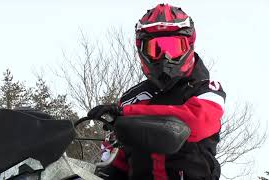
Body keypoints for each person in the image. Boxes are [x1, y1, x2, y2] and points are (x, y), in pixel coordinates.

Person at [88, 4, 226, 180]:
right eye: (155, 49)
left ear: (189, 45)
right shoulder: (131, 99)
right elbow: (115, 159)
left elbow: (195, 122)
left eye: (174, 47)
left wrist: (126, 115)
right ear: (141, 50)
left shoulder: (207, 90)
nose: (165, 57)